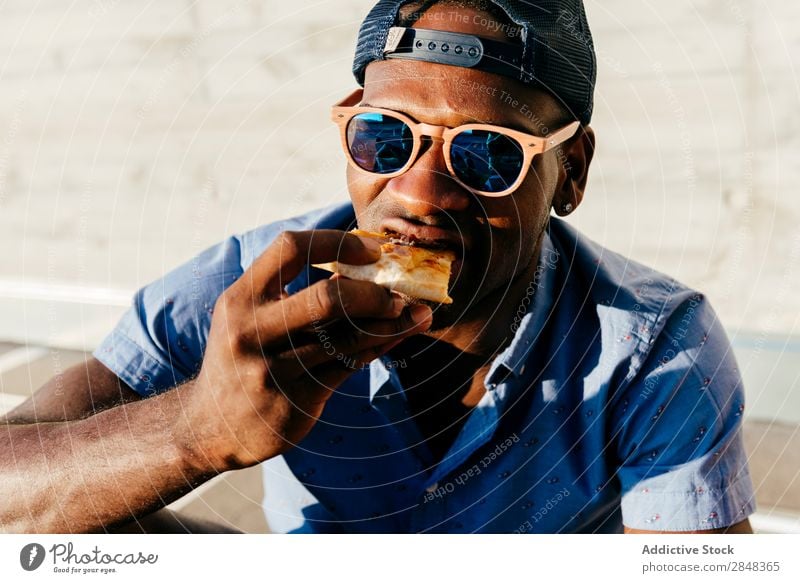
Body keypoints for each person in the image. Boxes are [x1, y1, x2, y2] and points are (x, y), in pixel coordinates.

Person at [1, 0, 755, 534]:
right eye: (385, 139)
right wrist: (194, 433)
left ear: (573, 173)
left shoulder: (657, 349)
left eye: (488, 151)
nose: (419, 192)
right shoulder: (252, 283)